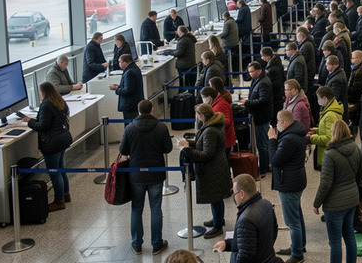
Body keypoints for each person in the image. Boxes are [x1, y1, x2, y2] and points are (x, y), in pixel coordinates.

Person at [119, 99, 172, 256]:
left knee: (136, 208)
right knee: (156, 208)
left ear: (138, 110)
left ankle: (137, 243)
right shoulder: (161, 127)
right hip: (156, 173)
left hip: (136, 174)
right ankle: (156, 244)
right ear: (152, 110)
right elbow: (167, 148)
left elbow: (123, 149)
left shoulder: (130, 129)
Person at [313, 119, 362, 263]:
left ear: (333, 133)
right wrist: (353, 185)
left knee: (335, 241)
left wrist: (316, 203)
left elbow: (325, 183)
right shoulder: (355, 148)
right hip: (352, 200)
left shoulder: (330, 154)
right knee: (349, 235)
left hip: (334, 204)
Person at [180, 103, 232, 239]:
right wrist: (191, 143)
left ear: (202, 116)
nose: (196, 117)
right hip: (216, 166)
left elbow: (207, 154)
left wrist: (188, 150)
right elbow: (204, 144)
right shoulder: (212, 126)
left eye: (198, 114)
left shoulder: (210, 130)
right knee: (215, 197)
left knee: (215, 197)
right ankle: (217, 219)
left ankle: (217, 226)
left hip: (213, 168)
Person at [22, 82, 72, 212]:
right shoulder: (59, 101)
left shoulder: (46, 105)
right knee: (61, 169)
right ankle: (66, 194)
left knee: (54, 173)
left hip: (52, 143)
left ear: (43, 92)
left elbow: (43, 126)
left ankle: (59, 201)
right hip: (62, 140)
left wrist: (30, 121)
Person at [269, 109, 308, 263]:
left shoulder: (288, 139)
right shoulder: (295, 131)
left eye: (278, 122)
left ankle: (297, 254)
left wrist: (272, 140)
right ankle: (299, 246)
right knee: (297, 216)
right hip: (296, 180)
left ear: (285, 122)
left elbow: (275, 160)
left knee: (292, 221)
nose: (276, 125)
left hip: (289, 183)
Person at [213, 174, 278, 263]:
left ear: (242, 194)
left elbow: (245, 257)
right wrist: (227, 244)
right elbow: (273, 232)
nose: (233, 196)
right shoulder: (267, 204)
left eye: (234, 193)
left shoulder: (246, 220)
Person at [243, 61, 273, 175]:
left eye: (251, 71)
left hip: (261, 117)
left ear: (258, 70)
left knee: (262, 144)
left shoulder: (263, 82)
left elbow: (263, 100)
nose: (250, 74)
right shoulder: (257, 80)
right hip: (258, 116)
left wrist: (247, 102)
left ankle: (263, 169)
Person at [310, 83, 345, 167]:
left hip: (327, 155)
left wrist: (312, 138)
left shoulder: (330, 115)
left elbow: (329, 138)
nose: (318, 101)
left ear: (324, 98)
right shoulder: (330, 109)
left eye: (318, 98)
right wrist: (317, 131)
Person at [110, 54, 143, 120]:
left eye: (120, 62)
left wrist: (116, 89)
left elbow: (128, 90)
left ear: (124, 63)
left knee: (129, 125)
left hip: (129, 105)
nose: (119, 64)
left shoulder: (129, 72)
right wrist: (120, 86)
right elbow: (131, 85)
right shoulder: (135, 68)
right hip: (135, 103)